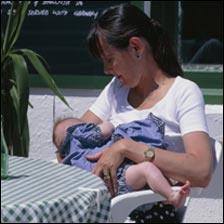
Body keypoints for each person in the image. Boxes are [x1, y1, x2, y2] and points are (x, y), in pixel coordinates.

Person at [62, 3, 213, 222]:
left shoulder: (183, 93)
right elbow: (74, 139)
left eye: (109, 59)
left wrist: (127, 148)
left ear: (136, 48)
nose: (106, 70)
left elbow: (201, 171)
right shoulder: (117, 89)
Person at [53, 114, 190, 208]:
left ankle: (169, 192)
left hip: (112, 190)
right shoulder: (78, 133)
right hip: (120, 174)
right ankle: (171, 194)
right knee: (147, 168)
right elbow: (106, 129)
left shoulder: (70, 158)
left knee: (148, 169)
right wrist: (107, 125)